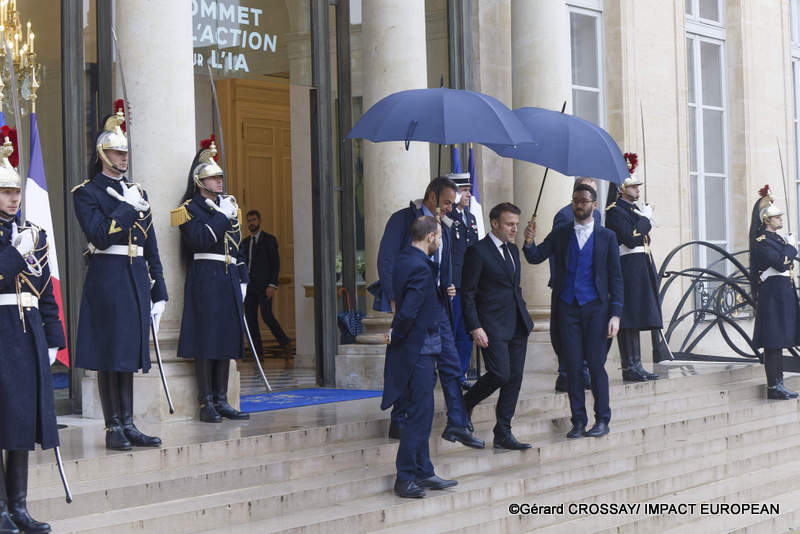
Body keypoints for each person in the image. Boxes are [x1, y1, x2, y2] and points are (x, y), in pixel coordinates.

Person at [73, 110, 166, 451]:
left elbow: (150, 242)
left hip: (135, 276)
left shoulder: (136, 191)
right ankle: (113, 426)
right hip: (108, 277)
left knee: (127, 353)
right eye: (117, 152)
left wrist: (161, 289)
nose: (123, 157)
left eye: (126, 152)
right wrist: (125, 208)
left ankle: (129, 422)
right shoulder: (86, 193)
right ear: (102, 155)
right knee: (109, 353)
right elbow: (99, 235)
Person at [375, 176, 482, 449]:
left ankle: (457, 422)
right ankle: (399, 419)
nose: (449, 208)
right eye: (446, 202)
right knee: (409, 361)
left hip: (437, 306)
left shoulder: (443, 227)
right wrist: (393, 298)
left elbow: (443, 263)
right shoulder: (403, 219)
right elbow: (387, 259)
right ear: (432, 197)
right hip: (410, 303)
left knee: (450, 363)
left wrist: (448, 285)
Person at [0, 136, 64, 534]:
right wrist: (13, 253)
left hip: (27, 334)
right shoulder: (19, 240)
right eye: (5, 192)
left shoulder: (33, 232)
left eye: (16, 192)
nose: (13, 199)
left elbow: (44, 290)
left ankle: (19, 507)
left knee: (21, 419)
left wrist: (54, 334)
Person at [523, 184, 623, 439]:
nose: (579, 205)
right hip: (567, 309)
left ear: (594, 205)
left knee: (597, 366)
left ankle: (602, 420)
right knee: (574, 366)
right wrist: (529, 241)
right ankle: (578, 421)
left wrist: (616, 314)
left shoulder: (607, 237)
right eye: (576, 201)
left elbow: (616, 278)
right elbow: (535, 257)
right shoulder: (561, 233)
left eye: (584, 201)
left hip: (596, 310)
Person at [172, 140, 250, 422]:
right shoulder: (189, 208)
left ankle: (222, 398)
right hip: (205, 277)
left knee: (226, 339)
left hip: (227, 277)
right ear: (199, 180)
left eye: (219, 177)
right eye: (213, 177)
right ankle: (206, 402)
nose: (219, 181)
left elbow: (237, 245)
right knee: (207, 341)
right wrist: (220, 216)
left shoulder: (228, 206)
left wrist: (243, 277)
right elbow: (199, 240)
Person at [381, 216, 458, 498]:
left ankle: (424, 471)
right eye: (439, 236)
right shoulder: (419, 267)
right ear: (429, 238)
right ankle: (405, 478)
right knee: (421, 415)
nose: (440, 241)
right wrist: (396, 334)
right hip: (418, 349)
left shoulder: (406, 260)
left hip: (417, 347)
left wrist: (440, 292)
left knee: (420, 412)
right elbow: (409, 311)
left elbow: (416, 301)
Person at [461, 202, 534, 450]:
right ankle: (465, 403)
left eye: (516, 224)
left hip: (517, 324)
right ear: (494, 223)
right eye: (509, 224)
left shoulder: (513, 251)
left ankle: (503, 431)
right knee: (500, 374)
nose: (514, 229)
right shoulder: (477, 251)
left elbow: (514, 288)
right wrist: (475, 326)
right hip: (491, 326)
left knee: (514, 379)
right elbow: (468, 293)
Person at [604, 154, 660, 382]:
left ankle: (637, 363)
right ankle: (629, 366)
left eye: (637, 186)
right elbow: (631, 238)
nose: (637, 190)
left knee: (635, 317)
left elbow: (642, 240)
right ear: (621, 188)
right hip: (627, 268)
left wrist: (642, 219)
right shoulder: (615, 210)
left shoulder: (633, 210)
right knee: (628, 318)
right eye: (633, 186)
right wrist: (645, 220)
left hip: (639, 267)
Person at [550, 178, 601, 392]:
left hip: (589, 289)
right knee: (564, 333)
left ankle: (582, 371)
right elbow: (557, 253)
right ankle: (566, 374)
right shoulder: (563, 216)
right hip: (567, 287)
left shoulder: (597, 215)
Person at [749, 189, 799, 400]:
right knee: (773, 341)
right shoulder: (762, 241)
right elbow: (780, 263)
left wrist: (787, 247)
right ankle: (774, 385)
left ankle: (779, 383)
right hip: (772, 296)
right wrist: (791, 247)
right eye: (777, 217)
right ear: (767, 220)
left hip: (783, 294)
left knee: (780, 341)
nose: (780, 219)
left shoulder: (776, 240)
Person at [241, 209, 290, 355]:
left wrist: (272, 284)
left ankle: (285, 342)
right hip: (249, 287)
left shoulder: (269, 240)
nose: (252, 223)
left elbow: (275, 264)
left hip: (264, 286)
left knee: (267, 316)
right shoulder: (244, 243)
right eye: (249, 221)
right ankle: (257, 353)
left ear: (259, 220)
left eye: (254, 220)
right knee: (250, 319)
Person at [448, 172, 480, 386]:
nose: (468, 194)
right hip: (453, 284)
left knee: (467, 331)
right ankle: (451, 373)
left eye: (469, 190)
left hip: (469, 284)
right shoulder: (448, 219)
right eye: (464, 191)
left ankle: (461, 372)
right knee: (452, 328)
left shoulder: (470, 218)